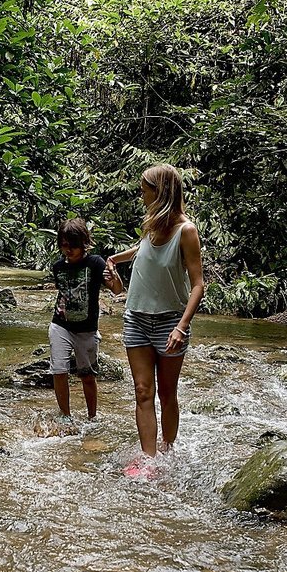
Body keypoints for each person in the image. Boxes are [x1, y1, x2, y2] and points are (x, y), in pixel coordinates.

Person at [104, 164, 205, 464]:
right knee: (142, 391)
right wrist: (113, 260)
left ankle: (168, 450)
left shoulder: (186, 231)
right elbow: (142, 251)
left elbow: (199, 285)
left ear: (160, 192)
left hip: (170, 322)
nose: (140, 195)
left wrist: (181, 327)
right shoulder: (151, 226)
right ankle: (149, 461)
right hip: (136, 318)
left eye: (144, 189)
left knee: (167, 394)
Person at [48, 218, 113, 421]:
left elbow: (117, 289)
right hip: (60, 325)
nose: (68, 250)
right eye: (64, 245)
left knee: (87, 375)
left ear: (84, 243)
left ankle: (92, 417)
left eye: (73, 245)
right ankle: (65, 416)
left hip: (87, 329)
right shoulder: (57, 267)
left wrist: (114, 277)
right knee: (59, 370)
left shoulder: (95, 263)